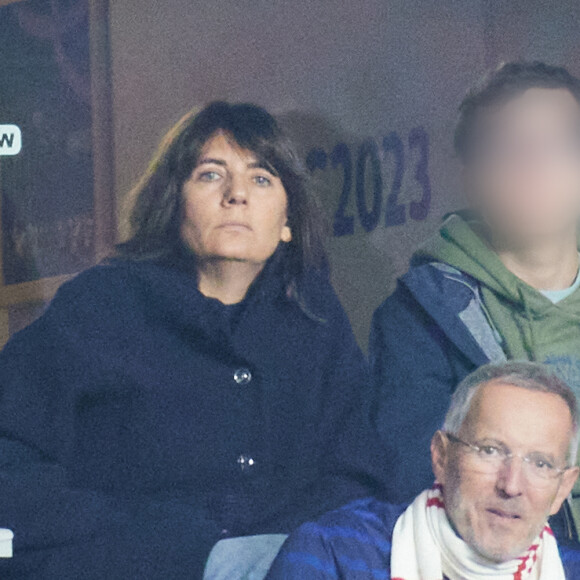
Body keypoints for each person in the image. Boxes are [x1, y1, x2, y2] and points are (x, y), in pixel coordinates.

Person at [0, 102, 386, 579]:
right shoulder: (100, 307)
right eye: (210, 175)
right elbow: (10, 458)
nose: (236, 194)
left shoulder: (317, 319)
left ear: (287, 222)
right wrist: (158, 545)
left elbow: (357, 475)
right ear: (173, 203)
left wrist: (290, 552)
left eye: (261, 178)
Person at [370, 61, 580, 533]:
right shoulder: (422, 315)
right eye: (510, 149)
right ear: (472, 177)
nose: (537, 168)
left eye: (559, 145)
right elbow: (422, 487)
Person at [267, 362, 580, 579]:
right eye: (490, 450)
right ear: (441, 457)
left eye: (540, 464)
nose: (511, 485)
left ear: (563, 489)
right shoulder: (332, 553)